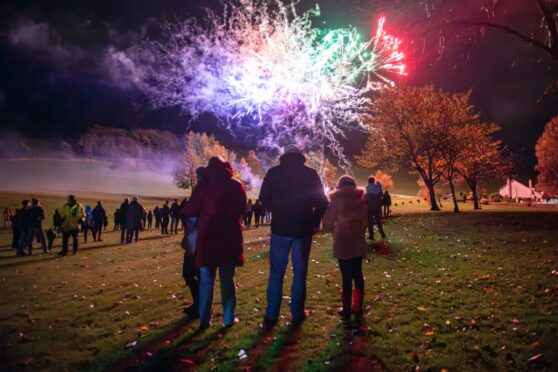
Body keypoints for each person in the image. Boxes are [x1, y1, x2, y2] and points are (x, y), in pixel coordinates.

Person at [259, 145, 329, 328]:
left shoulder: (274, 173)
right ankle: (297, 314)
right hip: (302, 230)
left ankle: (271, 314)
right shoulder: (310, 174)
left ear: (284, 156)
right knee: (299, 273)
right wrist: (314, 222)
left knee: (276, 273)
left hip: (280, 228)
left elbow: (263, 198)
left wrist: (276, 208)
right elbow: (322, 202)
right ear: (300, 156)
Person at [182, 157, 247, 331]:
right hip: (229, 239)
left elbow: (190, 211)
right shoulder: (236, 185)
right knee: (227, 280)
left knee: (206, 281)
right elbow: (242, 209)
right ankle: (228, 318)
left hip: (207, 240)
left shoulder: (203, 187)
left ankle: (204, 319)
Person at [323, 176, 368, 318]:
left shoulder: (336, 201)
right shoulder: (361, 201)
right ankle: (357, 307)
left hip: (342, 242)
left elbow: (327, 225)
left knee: (346, 276)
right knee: (358, 274)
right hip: (358, 242)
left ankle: (347, 309)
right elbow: (366, 222)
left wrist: (335, 229)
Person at [180, 167, 205, 319]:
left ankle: (199, 305)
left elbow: (190, 211)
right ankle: (200, 304)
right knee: (198, 274)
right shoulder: (207, 189)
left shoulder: (201, 190)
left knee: (190, 272)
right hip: (201, 237)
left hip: (196, 238)